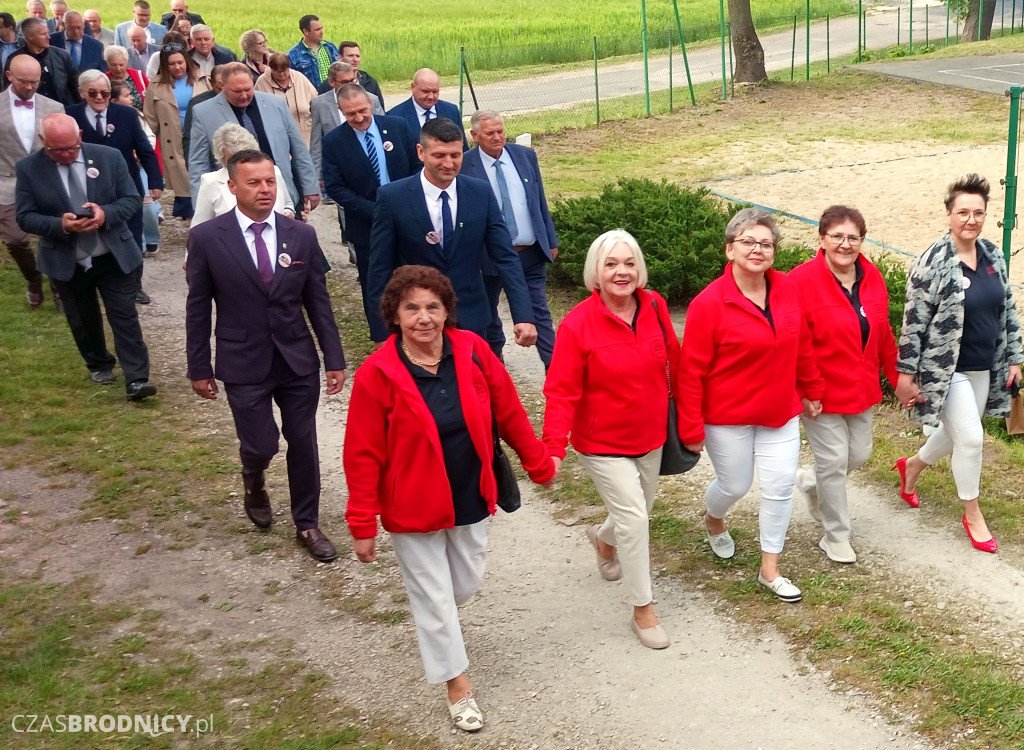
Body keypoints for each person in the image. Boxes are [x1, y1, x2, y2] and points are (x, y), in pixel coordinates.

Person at [344, 264, 554, 732]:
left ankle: (440, 625)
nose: (424, 318)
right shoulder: (378, 373)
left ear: (447, 312)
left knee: (464, 584)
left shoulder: (474, 352)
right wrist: (362, 522)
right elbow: (361, 454)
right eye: (411, 308)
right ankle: (458, 687)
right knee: (435, 600)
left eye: (433, 307)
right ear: (394, 317)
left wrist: (537, 461)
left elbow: (510, 413)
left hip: (470, 493)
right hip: (411, 507)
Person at [185, 149, 346, 561]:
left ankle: (307, 523)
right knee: (261, 444)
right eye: (254, 183)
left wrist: (334, 357)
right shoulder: (207, 238)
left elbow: (318, 302)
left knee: (303, 440)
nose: (264, 190)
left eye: (270, 181)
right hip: (244, 361)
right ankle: (253, 479)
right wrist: (199, 366)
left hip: (296, 359)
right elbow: (198, 306)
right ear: (232, 186)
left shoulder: (301, 235)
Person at [677, 208, 824, 603]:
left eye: (766, 243)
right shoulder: (709, 304)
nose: (757, 249)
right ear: (730, 250)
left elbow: (802, 342)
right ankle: (714, 518)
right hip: (728, 416)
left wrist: (811, 387)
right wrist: (690, 429)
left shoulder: (788, 290)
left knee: (778, 488)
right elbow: (690, 372)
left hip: (779, 412)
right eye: (748, 241)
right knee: (735, 484)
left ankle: (769, 569)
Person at [542, 229, 678, 649]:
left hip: (651, 433)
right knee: (636, 519)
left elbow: (676, 360)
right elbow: (561, 390)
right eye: (611, 264)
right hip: (601, 442)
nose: (622, 271)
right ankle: (643, 609)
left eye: (629, 263)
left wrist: (693, 418)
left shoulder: (654, 306)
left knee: (635, 512)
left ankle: (603, 540)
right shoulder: (578, 325)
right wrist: (552, 447)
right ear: (595, 275)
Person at [893, 174, 1023, 553]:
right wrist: (906, 374)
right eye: (963, 211)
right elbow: (913, 322)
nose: (971, 219)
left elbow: (1008, 311)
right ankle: (973, 513)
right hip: (945, 370)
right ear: (949, 214)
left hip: (985, 365)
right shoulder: (931, 262)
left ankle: (912, 467)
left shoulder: (993, 255)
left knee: (955, 432)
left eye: (978, 212)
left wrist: (1015, 357)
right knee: (970, 438)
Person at [16, 113, 157, 400]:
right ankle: (98, 362)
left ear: (80, 136)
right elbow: (25, 216)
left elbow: (130, 199)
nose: (66, 155)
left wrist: (105, 214)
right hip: (67, 258)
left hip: (112, 255)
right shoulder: (29, 168)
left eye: (71, 147)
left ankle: (137, 379)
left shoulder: (109, 157)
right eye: (57, 150)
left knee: (124, 316)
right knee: (82, 317)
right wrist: (60, 225)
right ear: (44, 142)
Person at [788, 206, 898, 564]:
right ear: (821, 239)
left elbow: (882, 335)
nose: (845, 244)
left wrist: (899, 380)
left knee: (859, 454)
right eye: (837, 236)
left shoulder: (872, 276)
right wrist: (808, 391)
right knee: (834, 460)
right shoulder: (801, 281)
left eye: (853, 237)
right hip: (819, 392)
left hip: (861, 388)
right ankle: (836, 536)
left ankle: (810, 482)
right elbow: (795, 343)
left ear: (862, 241)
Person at [367, 116, 536, 348]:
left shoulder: (480, 193)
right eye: (439, 155)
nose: (448, 163)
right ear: (420, 152)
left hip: (471, 317)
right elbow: (380, 268)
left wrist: (524, 315)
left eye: (455, 155)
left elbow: (505, 257)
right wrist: (381, 332)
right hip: (418, 321)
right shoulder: (393, 198)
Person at [463, 109, 559, 368]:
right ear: (474, 136)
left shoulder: (524, 155)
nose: (498, 137)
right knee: (488, 313)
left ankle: (557, 371)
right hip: (488, 258)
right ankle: (494, 369)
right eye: (490, 133)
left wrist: (550, 239)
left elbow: (538, 200)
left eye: (501, 131)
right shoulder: (464, 166)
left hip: (529, 252)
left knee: (539, 312)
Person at [322, 83, 419, 326]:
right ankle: (382, 337)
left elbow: (418, 167)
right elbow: (335, 187)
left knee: (415, 278)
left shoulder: (397, 127)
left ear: (371, 104)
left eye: (363, 110)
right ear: (341, 111)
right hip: (367, 227)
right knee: (375, 284)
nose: (359, 117)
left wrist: (408, 202)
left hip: (409, 219)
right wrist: (373, 210)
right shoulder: (334, 141)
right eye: (351, 114)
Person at [70, 70, 163, 299]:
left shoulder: (126, 115)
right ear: (82, 93)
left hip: (126, 186)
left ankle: (134, 286)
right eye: (93, 92)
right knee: (96, 235)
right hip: (88, 189)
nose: (100, 97)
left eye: (105, 92)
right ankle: (95, 280)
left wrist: (154, 180)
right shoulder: (70, 115)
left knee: (132, 234)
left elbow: (144, 150)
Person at [188, 62, 319, 216]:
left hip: (281, 193)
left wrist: (310, 187)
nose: (244, 96)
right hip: (234, 201)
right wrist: (201, 205)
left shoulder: (276, 104)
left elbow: (299, 149)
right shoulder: (203, 112)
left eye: (248, 89)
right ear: (222, 86)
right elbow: (198, 164)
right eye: (236, 91)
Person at [1, 56, 64, 308]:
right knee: (15, 240)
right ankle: (33, 277)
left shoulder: (54, 107)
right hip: (6, 183)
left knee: (58, 236)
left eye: (35, 82)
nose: (29, 87)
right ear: (9, 77)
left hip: (47, 182)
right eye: (24, 82)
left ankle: (60, 289)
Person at [143, 37, 211, 220]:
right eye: (172, 64)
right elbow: (150, 118)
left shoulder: (204, 80)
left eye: (180, 62)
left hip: (199, 137)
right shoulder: (156, 86)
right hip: (173, 140)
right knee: (184, 184)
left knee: (203, 176)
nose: (177, 67)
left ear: (186, 61)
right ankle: (191, 219)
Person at [192, 123, 294, 226]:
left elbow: (288, 203)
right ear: (222, 157)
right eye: (233, 159)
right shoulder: (211, 182)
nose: (240, 163)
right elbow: (199, 228)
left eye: (245, 157)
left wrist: (288, 212)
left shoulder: (273, 172)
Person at [310, 62, 384, 190]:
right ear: (332, 82)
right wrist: (317, 175)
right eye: (344, 82)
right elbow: (316, 142)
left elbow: (383, 130)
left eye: (352, 80)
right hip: (339, 165)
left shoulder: (371, 99)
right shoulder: (319, 103)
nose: (350, 85)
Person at [111, 81, 161, 257]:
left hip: (139, 166)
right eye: (126, 95)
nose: (132, 97)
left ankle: (151, 237)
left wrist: (139, 154)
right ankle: (137, 246)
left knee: (147, 205)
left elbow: (149, 137)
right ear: (114, 100)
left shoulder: (136, 115)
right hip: (120, 167)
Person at [2, 17, 80, 106]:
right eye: (43, 34)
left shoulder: (61, 56)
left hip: (61, 110)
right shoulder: (15, 59)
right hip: (30, 110)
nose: (49, 37)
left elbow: (75, 85)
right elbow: (7, 88)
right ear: (30, 36)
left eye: (48, 33)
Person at [387, 68, 467, 150]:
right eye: (425, 91)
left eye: (435, 92)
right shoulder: (395, 116)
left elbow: (462, 148)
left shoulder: (451, 111)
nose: (431, 97)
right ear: (413, 87)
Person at [254, 53, 317, 147]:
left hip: (305, 133)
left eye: (285, 71)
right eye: (278, 72)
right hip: (278, 136)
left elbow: (315, 100)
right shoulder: (262, 82)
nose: (282, 75)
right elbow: (257, 110)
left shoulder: (299, 77)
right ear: (271, 69)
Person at [181, 63, 223, 160]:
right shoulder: (197, 104)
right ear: (211, 83)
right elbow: (189, 137)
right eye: (219, 88)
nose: (223, 92)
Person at [287, 15, 337, 89]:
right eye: (317, 30)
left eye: (321, 28)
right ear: (306, 31)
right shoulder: (293, 54)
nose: (322, 32)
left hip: (333, 95)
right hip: (309, 97)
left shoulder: (330, 47)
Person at [105, 44, 148, 110]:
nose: (118, 68)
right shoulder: (104, 80)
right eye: (113, 65)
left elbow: (151, 96)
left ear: (127, 62)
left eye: (121, 65)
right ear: (107, 63)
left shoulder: (139, 75)